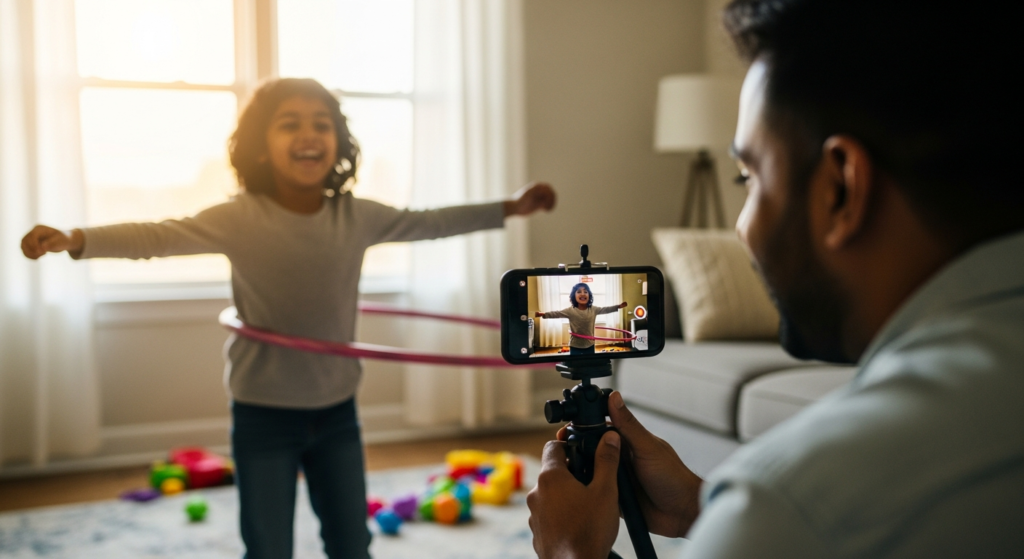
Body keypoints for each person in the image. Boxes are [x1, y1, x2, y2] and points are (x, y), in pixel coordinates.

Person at [526, 0, 1022, 557]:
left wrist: (571, 552)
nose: (740, 229)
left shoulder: (784, 508)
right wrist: (700, 509)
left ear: (839, 189)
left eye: (748, 177)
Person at [21, 78, 556, 559]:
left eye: (321, 124)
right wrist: (75, 239)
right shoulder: (240, 218)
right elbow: (158, 236)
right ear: (260, 144)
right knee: (268, 547)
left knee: (351, 543)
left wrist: (510, 207)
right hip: (263, 415)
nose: (308, 135)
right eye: (289, 124)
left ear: (337, 142)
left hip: (337, 412)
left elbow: (430, 223)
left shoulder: (356, 216)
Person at [535, 282, 627, 355]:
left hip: (590, 344)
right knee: (576, 366)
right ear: (574, 296)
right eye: (579, 292)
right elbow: (556, 314)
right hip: (575, 345)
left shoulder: (593, 309)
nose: (582, 294)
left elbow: (605, 309)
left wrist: (618, 306)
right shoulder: (570, 311)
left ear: (589, 296)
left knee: (588, 365)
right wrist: (543, 314)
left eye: (585, 292)